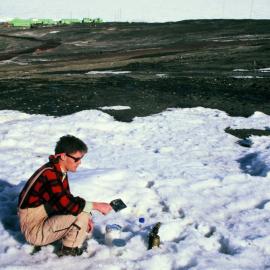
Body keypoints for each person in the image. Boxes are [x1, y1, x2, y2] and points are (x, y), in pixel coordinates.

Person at [17, 135, 112, 256]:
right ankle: (69, 252)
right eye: (76, 159)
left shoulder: (57, 170)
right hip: (34, 229)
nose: (80, 162)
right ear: (63, 156)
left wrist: (86, 217)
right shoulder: (50, 174)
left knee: (83, 213)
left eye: (81, 158)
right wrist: (96, 206)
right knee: (80, 214)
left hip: (44, 218)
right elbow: (67, 205)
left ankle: (69, 242)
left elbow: (65, 200)